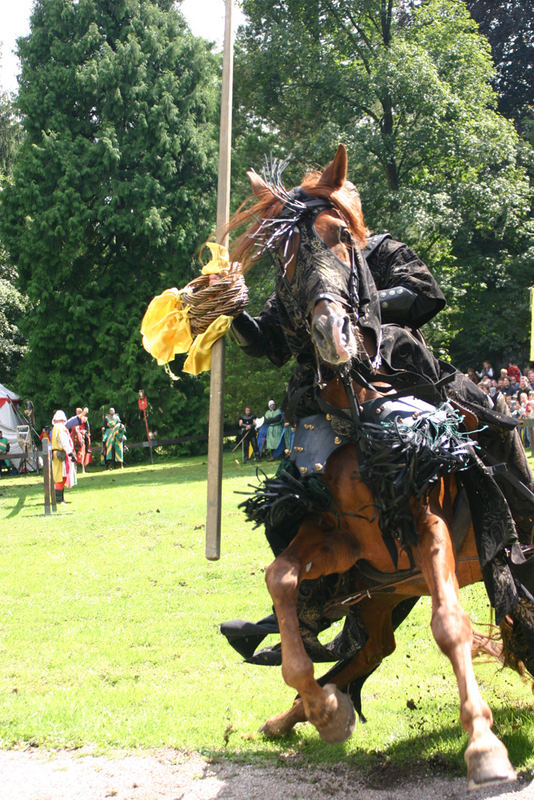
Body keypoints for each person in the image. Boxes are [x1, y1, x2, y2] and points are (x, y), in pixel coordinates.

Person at [228, 149, 534, 541]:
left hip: (397, 370)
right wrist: (232, 314)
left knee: (489, 416)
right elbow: (268, 343)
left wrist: (355, 308)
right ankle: (309, 592)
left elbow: (421, 294)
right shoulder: (298, 279)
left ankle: (524, 531)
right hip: (321, 398)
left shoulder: (381, 250)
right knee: (284, 507)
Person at [51, 410, 77, 504]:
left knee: (61, 476)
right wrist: (70, 453)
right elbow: (64, 442)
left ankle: (61, 498)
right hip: (61, 455)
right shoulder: (60, 428)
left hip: (58, 454)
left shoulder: (55, 428)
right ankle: (58, 499)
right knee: (61, 477)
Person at [70, 407, 92, 473]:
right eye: (77, 411)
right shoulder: (74, 418)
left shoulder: (84, 418)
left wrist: (87, 432)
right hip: (75, 430)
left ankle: (88, 448)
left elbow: (87, 426)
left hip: (82, 431)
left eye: (79, 412)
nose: (78, 413)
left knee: (86, 437)